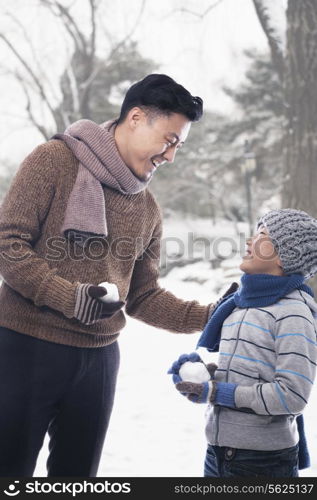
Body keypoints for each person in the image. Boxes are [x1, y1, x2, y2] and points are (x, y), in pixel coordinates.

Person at [0, 74, 221, 477]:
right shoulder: (53, 160)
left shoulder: (148, 207)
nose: (171, 156)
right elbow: (9, 244)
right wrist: (69, 297)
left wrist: (212, 316)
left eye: (179, 147)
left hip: (98, 362)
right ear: (136, 117)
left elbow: (143, 295)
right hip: (27, 347)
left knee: (77, 478)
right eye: (170, 140)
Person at [169, 208, 317, 477]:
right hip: (217, 452)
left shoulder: (294, 314)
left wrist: (217, 393)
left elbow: (292, 396)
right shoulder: (239, 305)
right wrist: (205, 376)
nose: (250, 241)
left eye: (262, 235)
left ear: (287, 255)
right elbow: (250, 370)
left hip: (263, 461)